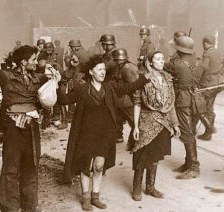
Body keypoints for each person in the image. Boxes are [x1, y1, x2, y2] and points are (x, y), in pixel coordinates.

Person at [58, 55, 151, 211]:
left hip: (104, 134)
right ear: (91, 72)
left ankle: (96, 196)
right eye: (99, 69)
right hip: (86, 135)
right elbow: (64, 100)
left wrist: (145, 77)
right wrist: (57, 84)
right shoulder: (82, 89)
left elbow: (129, 88)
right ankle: (86, 197)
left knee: (99, 166)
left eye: (103, 69)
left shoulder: (110, 87)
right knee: (86, 167)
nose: (102, 72)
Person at [0, 27, 53, 212]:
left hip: (32, 128)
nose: (36, 63)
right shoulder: (7, 77)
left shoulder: (38, 77)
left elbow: (55, 88)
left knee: (31, 165)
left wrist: (56, 77)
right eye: (33, 60)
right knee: (11, 167)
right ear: (23, 62)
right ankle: (10, 206)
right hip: (13, 128)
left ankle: (29, 205)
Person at [131, 51, 180, 201]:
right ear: (150, 62)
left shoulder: (168, 79)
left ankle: (150, 187)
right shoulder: (143, 79)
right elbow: (137, 103)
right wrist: (136, 126)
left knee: (156, 156)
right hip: (146, 122)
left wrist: (175, 124)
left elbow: (171, 104)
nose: (162, 61)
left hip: (164, 123)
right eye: (158, 59)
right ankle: (137, 188)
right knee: (141, 155)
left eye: (163, 59)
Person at [166, 36, 206, 179]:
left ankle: (193, 167)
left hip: (183, 101)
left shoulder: (177, 64)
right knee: (191, 131)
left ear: (178, 49)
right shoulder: (197, 61)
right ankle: (188, 162)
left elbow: (165, 66)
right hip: (196, 100)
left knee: (186, 132)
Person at [196, 35, 224, 140]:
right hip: (216, 82)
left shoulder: (207, 53)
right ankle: (208, 132)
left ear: (205, 43)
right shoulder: (220, 52)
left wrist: (197, 78)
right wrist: (220, 73)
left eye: (204, 43)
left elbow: (204, 67)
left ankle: (208, 130)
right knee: (209, 106)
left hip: (207, 82)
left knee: (200, 106)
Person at [111, 48, 139, 146]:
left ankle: (136, 142)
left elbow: (134, 85)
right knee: (117, 119)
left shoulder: (128, 68)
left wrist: (136, 100)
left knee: (134, 122)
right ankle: (118, 136)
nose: (118, 61)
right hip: (120, 100)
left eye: (119, 60)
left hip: (127, 100)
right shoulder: (120, 67)